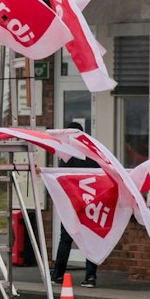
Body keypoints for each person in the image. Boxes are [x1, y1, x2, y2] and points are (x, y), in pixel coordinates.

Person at [51, 119, 101, 287]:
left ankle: (58, 274)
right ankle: (91, 276)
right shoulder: (93, 153)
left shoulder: (68, 155)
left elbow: (62, 179)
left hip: (72, 203)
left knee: (66, 238)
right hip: (90, 202)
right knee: (90, 239)